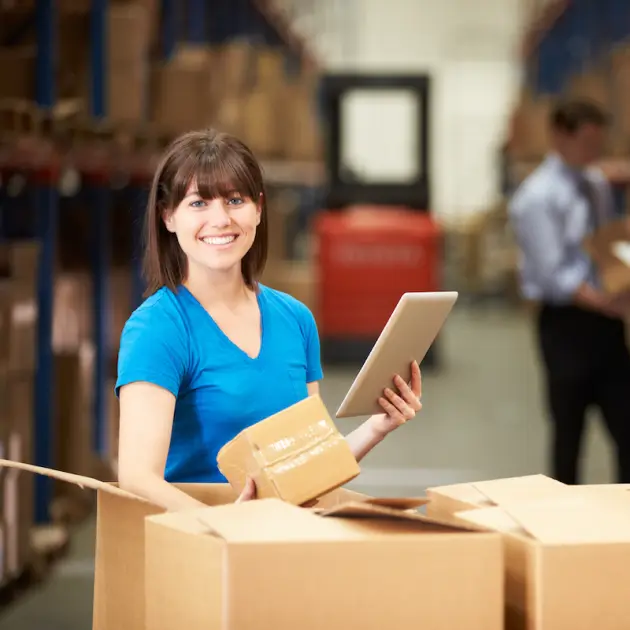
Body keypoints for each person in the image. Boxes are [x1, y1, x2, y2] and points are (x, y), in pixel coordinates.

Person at [115, 129, 423, 510]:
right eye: (198, 203)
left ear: (258, 209)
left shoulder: (295, 319)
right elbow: (136, 476)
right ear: (168, 217)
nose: (221, 219)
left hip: (282, 541)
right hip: (202, 548)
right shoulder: (158, 329)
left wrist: (378, 424)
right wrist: (226, 525)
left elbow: (312, 462)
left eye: (234, 200)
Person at [508, 98, 630, 485]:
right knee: (569, 431)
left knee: (626, 426)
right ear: (560, 136)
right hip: (566, 326)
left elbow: (601, 242)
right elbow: (552, 274)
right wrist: (607, 304)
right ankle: (565, 527)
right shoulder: (536, 198)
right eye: (587, 143)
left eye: (599, 144)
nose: (593, 153)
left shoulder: (594, 184)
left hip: (606, 324)